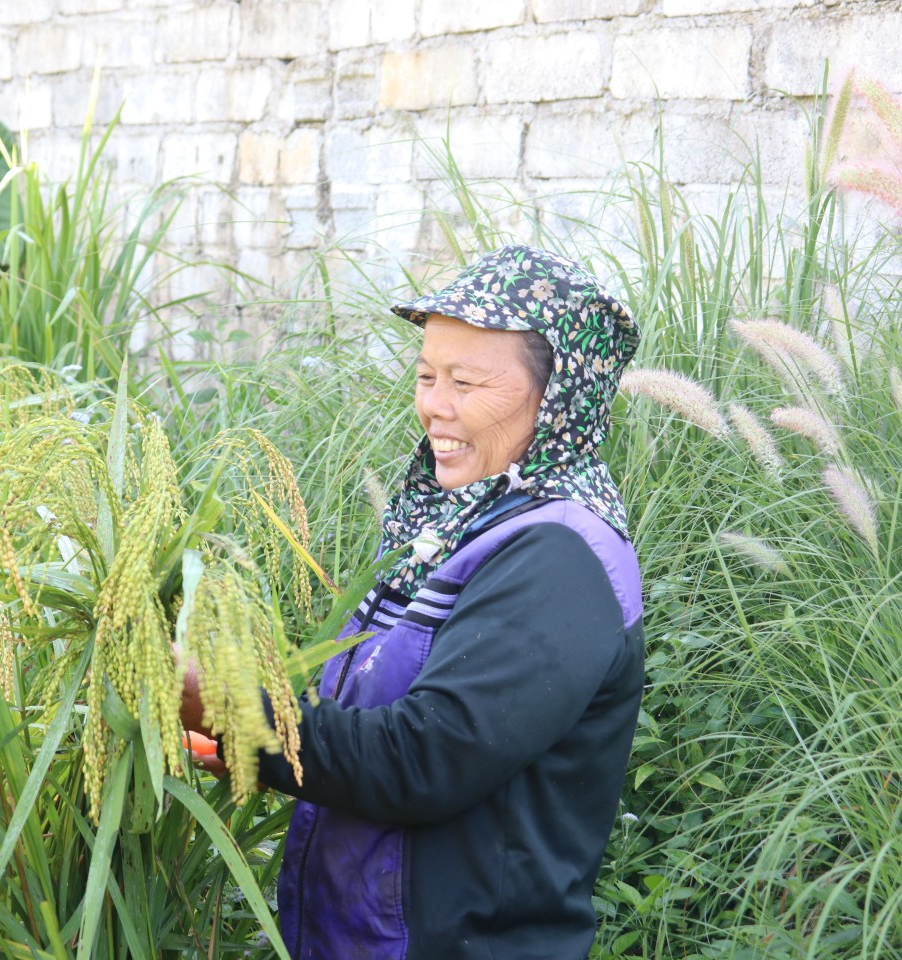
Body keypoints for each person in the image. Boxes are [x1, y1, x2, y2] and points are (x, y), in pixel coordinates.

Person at [181, 244, 646, 960]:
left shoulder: (559, 558)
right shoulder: (457, 523)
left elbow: (424, 758)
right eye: (427, 375)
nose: (434, 405)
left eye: (466, 381)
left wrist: (225, 702)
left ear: (558, 401)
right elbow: (366, 712)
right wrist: (240, 742)